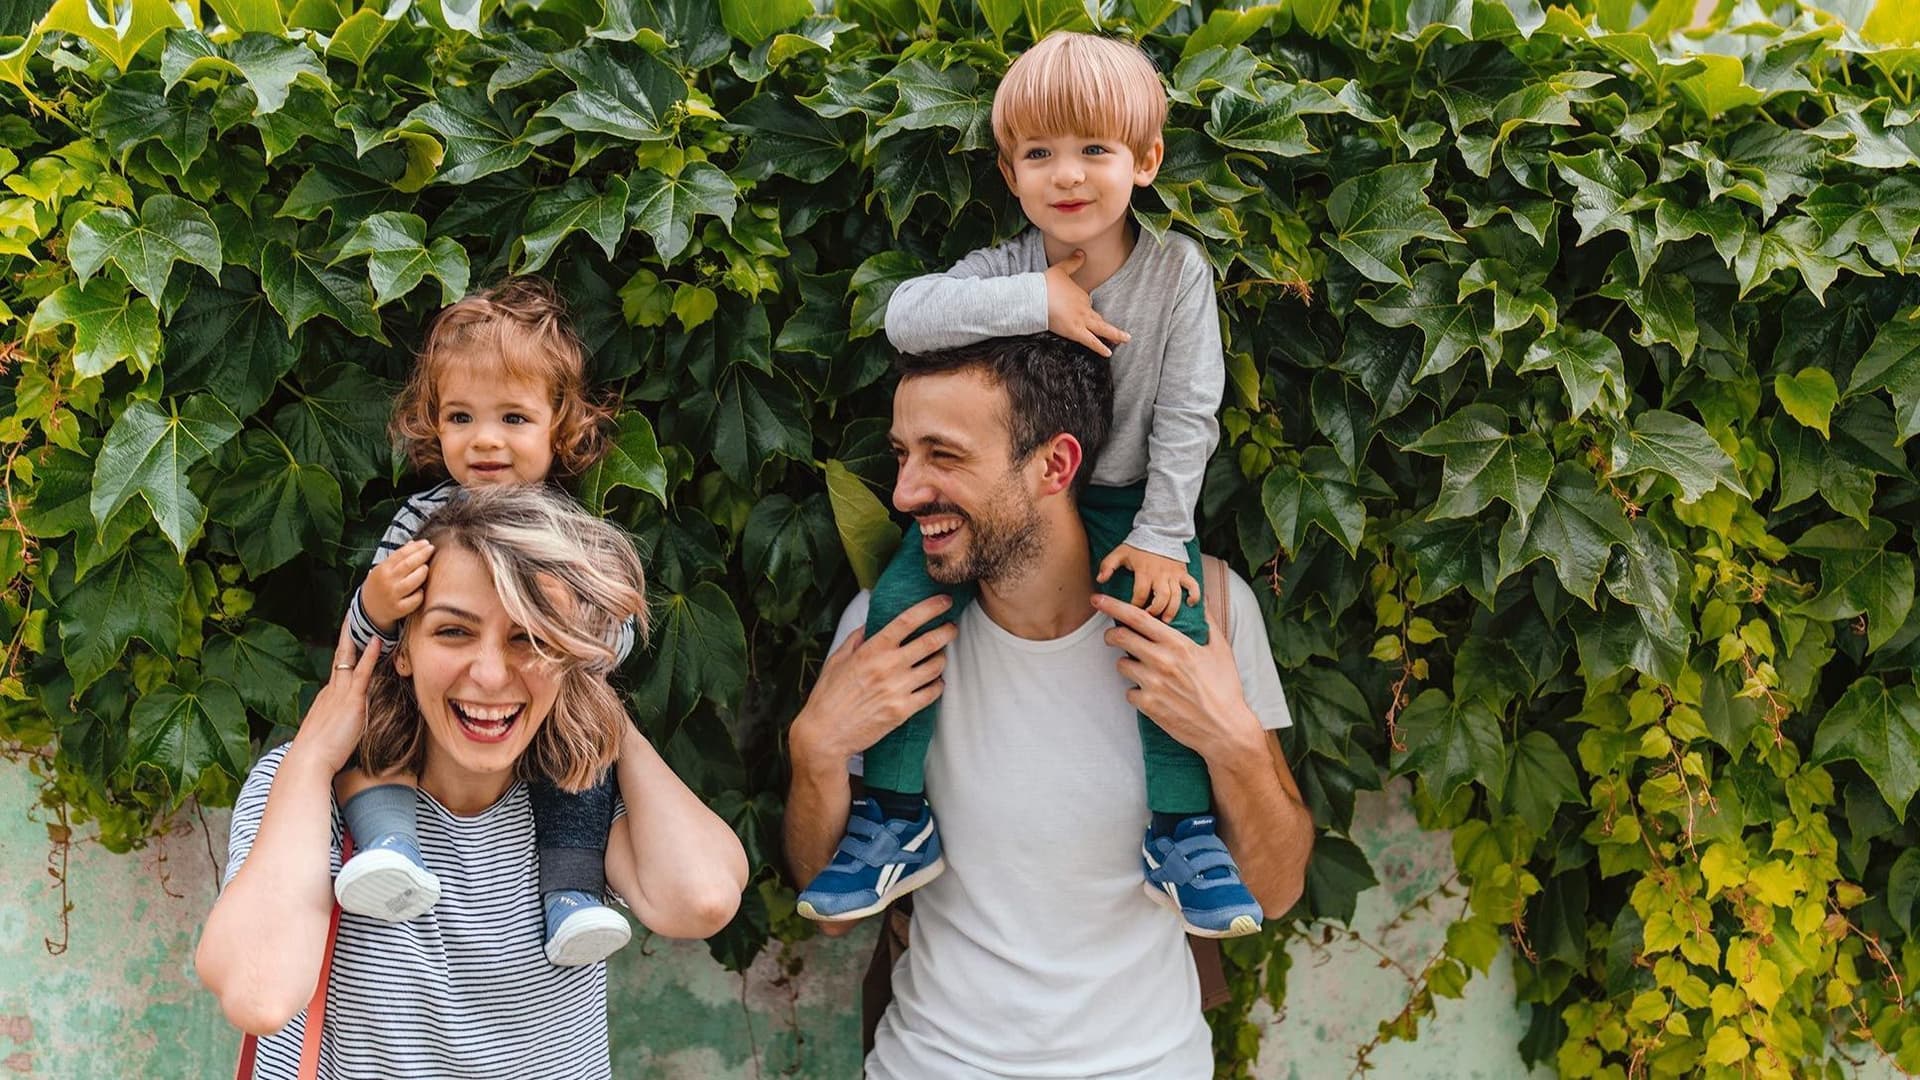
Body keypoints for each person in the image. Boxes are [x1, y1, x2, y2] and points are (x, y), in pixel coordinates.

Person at [797, 29, 1248, 938]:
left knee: (1172, 628)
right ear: (1011, 175)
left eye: (1094, 150)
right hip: (1010, 498)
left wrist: (1164, 533)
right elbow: (907, 315)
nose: (1068, 175)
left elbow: (1190, 410)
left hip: (1129, 500)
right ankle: (892, 814)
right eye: (1039, 154)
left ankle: (1185, 831)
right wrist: (1038, 301)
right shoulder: (1006, 268)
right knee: (900, 602)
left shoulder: (1176, 272)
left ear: (1146, 161)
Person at [784, 335, 1314, 1078]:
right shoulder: (888, 634)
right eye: (904, 454)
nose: (904, 493)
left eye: (945, 455)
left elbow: (1276, 890)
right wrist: (815, 753)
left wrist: (1231, 740)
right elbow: (835, 914)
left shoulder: (1207, 616)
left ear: (1054, 466)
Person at [197, 486, 748, 1079]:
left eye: (530, 638)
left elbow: (703, 899)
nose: (489, 674)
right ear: (401, 649)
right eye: (453, 632)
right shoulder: (311, 786)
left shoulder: (578, 797)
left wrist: (597, 708)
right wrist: (309, 759)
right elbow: (259, 994)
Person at [333, 277, 641, 966]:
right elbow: (361, 646)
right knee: (370, 730)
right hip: (433, 720)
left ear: (560, 426)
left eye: (513, 418)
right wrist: (376, 605)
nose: (484, 441)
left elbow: (617, 642)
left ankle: (570, 897)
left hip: (542, 714)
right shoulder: (418, 522)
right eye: (461, 418)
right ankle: (391, 848)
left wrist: (579, 631)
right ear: (432, 423)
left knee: (588, 753)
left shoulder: (572, 535)